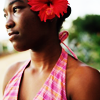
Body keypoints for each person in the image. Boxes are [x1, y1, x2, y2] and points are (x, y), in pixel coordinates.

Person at [2, 0, 100, 100]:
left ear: (50, 11)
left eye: (15, 9)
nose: (7, 23)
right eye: (5, 15)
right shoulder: (12, 73)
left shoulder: (82, 79)